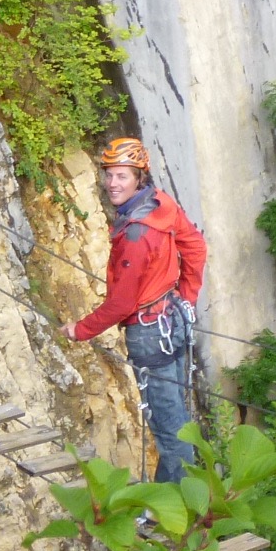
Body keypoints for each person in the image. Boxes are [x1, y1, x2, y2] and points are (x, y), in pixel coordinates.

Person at [60, 138, 208, 483]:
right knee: (178, 420)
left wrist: (80, 330)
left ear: (139, 178)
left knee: (170, 432)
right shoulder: (160, 204)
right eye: (109, 175)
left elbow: (122, 303)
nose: (112, 183)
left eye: (122, 176)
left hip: (150, 333)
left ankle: (177, 504)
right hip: (173, 319)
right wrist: (187, 297)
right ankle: (172, 498)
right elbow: (196, 247)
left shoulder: (136, 235)